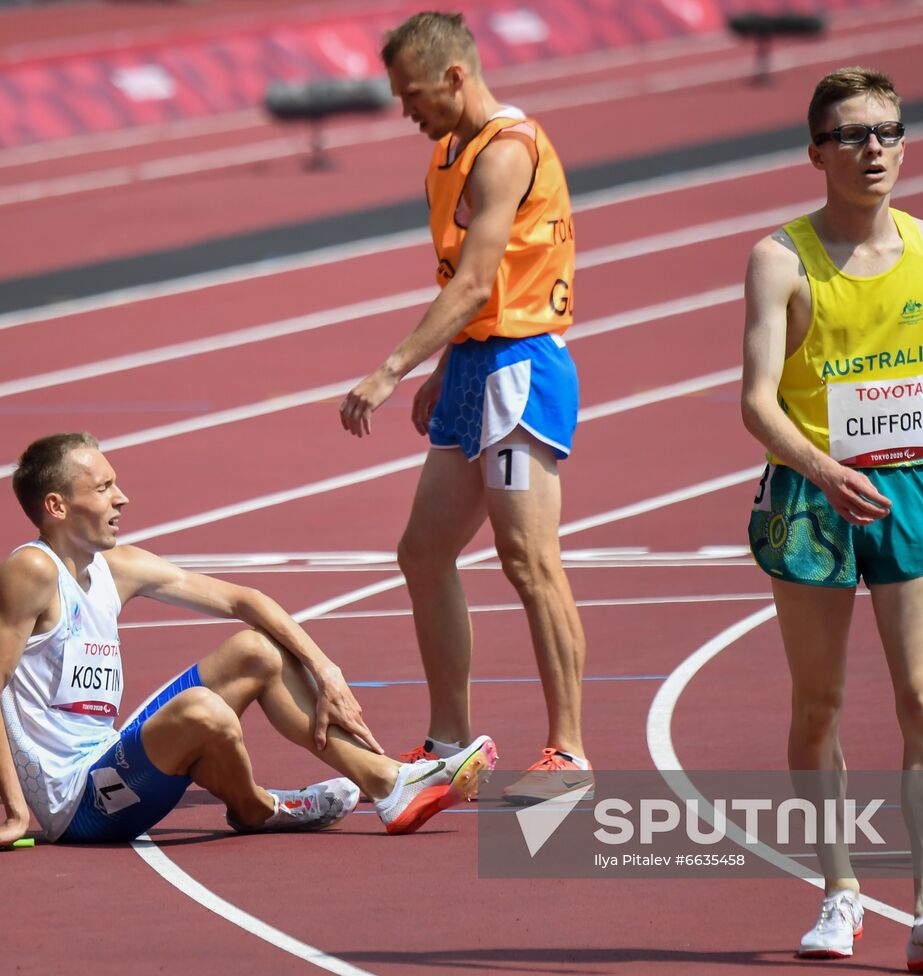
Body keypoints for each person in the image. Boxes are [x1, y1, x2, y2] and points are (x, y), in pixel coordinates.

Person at [0, 432, 496, 853]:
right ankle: (261, 806)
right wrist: (15, 813)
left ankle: (387, 785)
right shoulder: (31, 570)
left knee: (257, 650)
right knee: (203, 708)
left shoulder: (116, 566)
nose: (123, 498)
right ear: (56, 507)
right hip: (80, 803)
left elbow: (243, 600)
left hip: (112, 756)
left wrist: (326, 670)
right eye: (104, 487)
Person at [739, 67, 923, 973]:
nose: (873, 148)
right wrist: (821, 468)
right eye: (851, 134)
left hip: (915, 494)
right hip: (812, 499)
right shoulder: (780, 258)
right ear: (817, 152)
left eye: (887, 131)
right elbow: (755, 403)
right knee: (821, 707)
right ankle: (839, 892)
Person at [338, 11, 588, 805]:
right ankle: (452, 746)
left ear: (453, 76)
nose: (405, 112)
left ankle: (569, 751)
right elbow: (473, 285)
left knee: (528, 560)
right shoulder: (446, 157)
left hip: (521, 368)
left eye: (413, 96)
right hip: (476, 366)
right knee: (423, 553)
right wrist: (446, 367)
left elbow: (481, 284)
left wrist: (389, 369)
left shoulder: (506, 152)